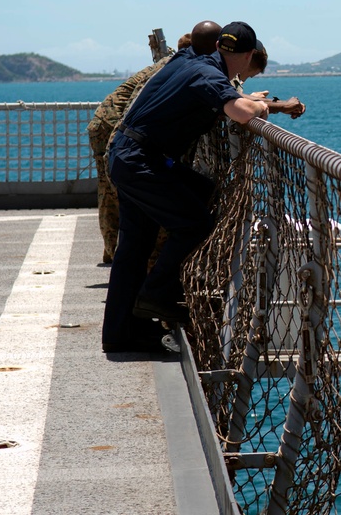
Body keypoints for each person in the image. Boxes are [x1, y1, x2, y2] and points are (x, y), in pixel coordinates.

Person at [101, 21, 275, 353]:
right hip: (141, 162)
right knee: (196, 222)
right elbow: (239, 111)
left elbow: (221, 93)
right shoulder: (208, 74)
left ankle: (120, 333)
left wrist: (240, 95)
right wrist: (259, 106)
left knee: (136, 247)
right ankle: (158, 295)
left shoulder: (194, 59)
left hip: (128, 154)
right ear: (250, 54)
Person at [86, 22, 222, 262]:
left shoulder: (173, 64)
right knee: (118, 196)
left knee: (110, 194)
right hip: (115, 129)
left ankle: (114, 251)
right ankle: (122, 253)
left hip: (112, 127)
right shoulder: (183, 68)